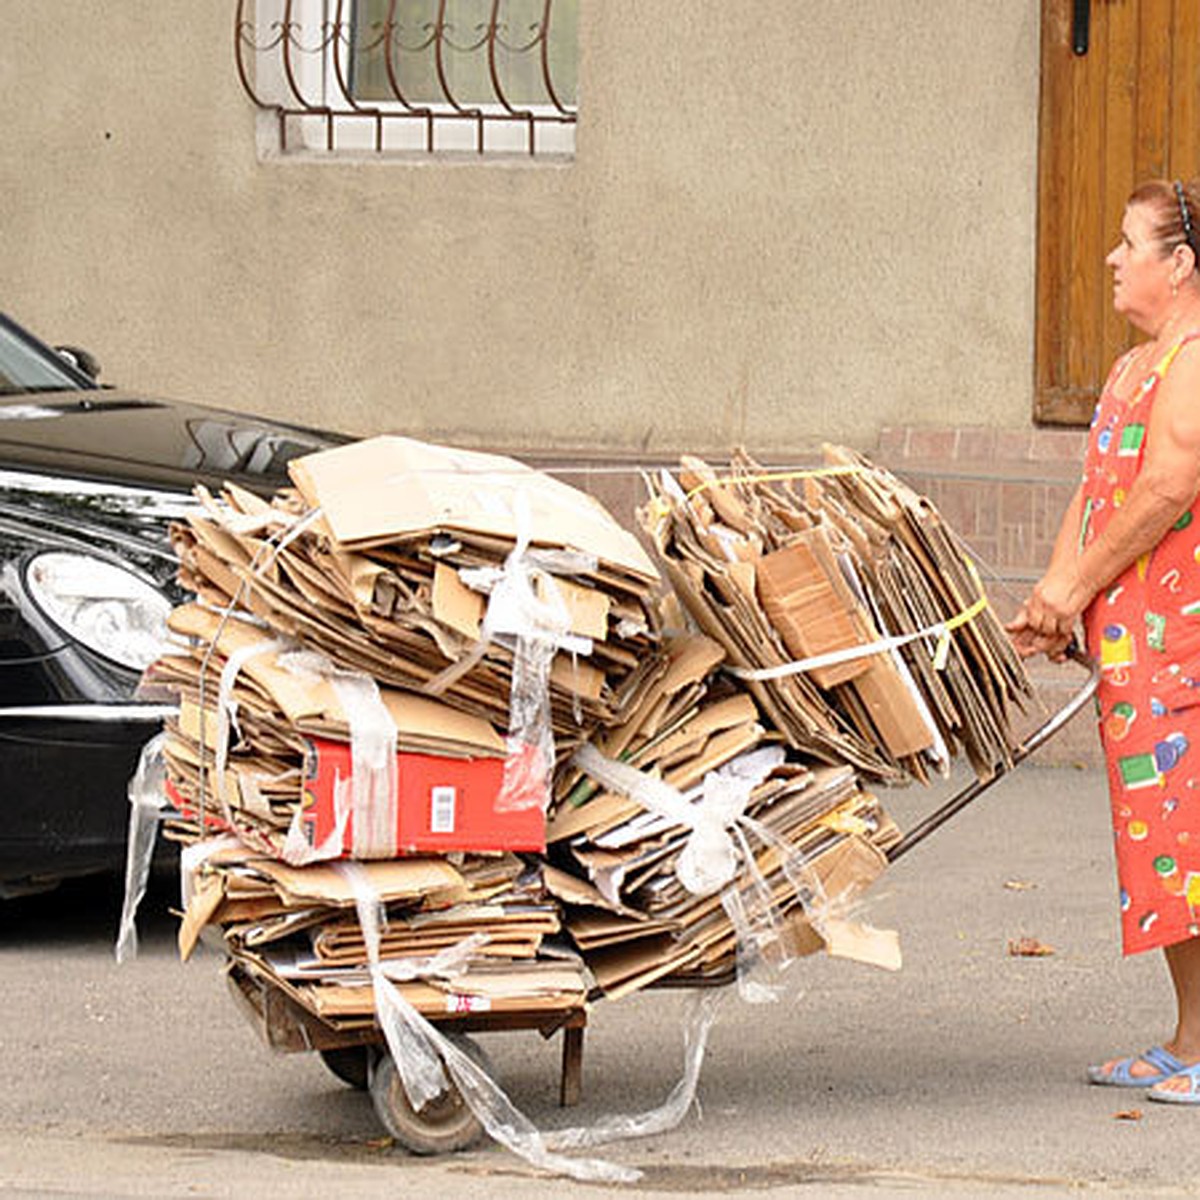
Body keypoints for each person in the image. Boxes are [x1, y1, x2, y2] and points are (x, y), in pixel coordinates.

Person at [1007, 177, 1200, 1104]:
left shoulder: (1195, 360)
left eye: (1132, 244)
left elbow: (1166, 489)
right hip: (1135, 651)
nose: (1114, 259)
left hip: (1184, 651)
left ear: (1182, 264)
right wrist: (1055, 597)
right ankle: (1190, 1039)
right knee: (1161, 847)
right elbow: (1099, 490)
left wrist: (1077, 586)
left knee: (1190, 843)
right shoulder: (1135, 367)